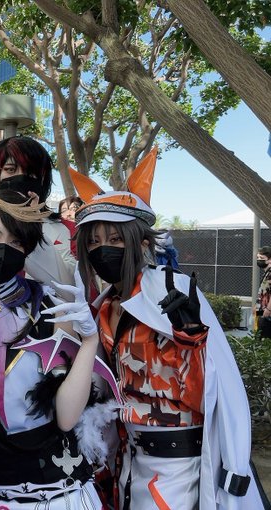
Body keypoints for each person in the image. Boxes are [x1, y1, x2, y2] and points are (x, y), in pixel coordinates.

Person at [69, 146, 266, 509]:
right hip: (125, 459)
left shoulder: (173, 292)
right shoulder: (102, 308)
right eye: (93, 241)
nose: (102, 250)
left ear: (141, 242)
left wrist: (190, 342)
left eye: (115, 239)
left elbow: (216, 389)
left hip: (178, 470)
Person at [0, 190, 115, 509]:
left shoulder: (52, 312)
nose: (2, 249)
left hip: (53, 494)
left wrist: (90, 342)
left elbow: (67, 418)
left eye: (16, 242)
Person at [0, 136, 76, 291]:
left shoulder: (70, 230)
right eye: (11, 170)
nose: (21, 178)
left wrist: (31, 228)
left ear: (42, 179)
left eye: (31, 172)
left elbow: (71, 291)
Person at [255, 245, 271, 338]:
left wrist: (268, 309)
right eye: (258, 257)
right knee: (259, 332)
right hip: (262, 310)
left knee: (264, 337)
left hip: (267, 313)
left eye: (261, 258)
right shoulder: (266, 273)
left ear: (269, 260)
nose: (259, 260)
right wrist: (256, 307)